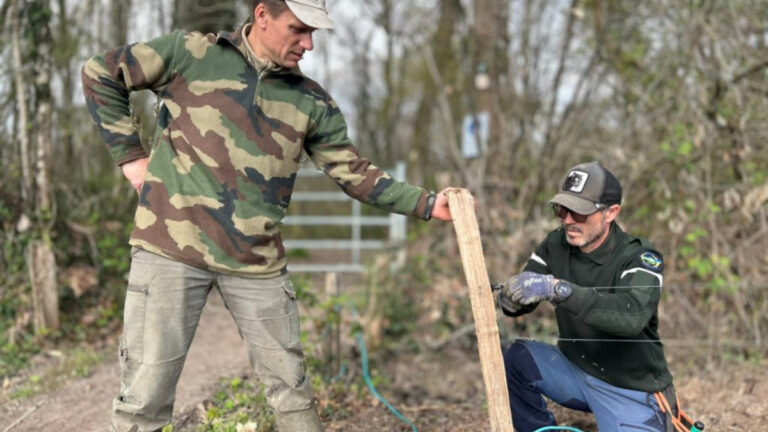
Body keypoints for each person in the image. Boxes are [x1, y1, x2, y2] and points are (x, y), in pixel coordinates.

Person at [81, 1, 456, 430]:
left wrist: (428, 204)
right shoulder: (190, 53)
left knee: (292, 393)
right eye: (298, 29)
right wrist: (131, 157)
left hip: (256, 264)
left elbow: (355, 175)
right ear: (263, 15)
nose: (308, 44)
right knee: (144, 399)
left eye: (314, 33)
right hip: (169, 250)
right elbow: (100, 72)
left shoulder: (312, 102)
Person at [498, 161, 677, 432]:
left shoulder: (639, 257)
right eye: (562, 209)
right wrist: (511, 299)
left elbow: (632, 316)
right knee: (517, 358)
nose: (568, 220)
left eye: (580, 212)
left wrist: (559, 290)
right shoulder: (555, 244)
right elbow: (524, 297)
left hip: (630, 390)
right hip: (575, 371)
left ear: (611, 213)